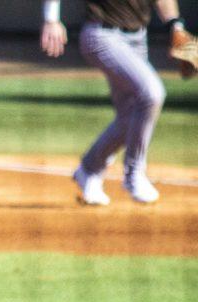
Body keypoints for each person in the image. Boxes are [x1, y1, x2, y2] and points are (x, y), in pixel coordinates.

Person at [41, 0, 188, 205]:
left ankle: (89, 169)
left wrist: (175, 25)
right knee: (152, 93)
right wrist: (51, 19)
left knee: (130, 117)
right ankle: (134, 173)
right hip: (100, 35)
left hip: (138, 38)